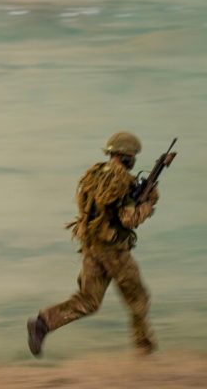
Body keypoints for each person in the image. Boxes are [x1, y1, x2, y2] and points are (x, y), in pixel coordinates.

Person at [28, 131, 159, 357]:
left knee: (88, 300)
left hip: (92, 246)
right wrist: (149, 204)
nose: (134, 160)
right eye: (132, 156)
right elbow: (128, 219)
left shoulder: (96, 174)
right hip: (114, 252)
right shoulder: (122, 180)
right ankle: (144, 351)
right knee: (139, 299)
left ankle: (43, 323)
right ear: (125, 156)